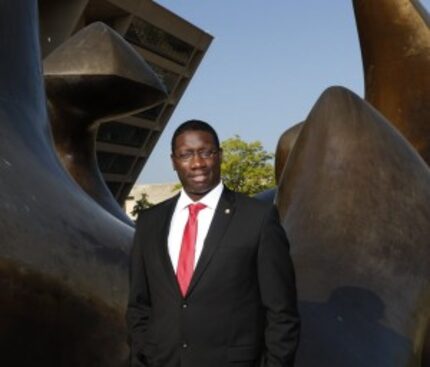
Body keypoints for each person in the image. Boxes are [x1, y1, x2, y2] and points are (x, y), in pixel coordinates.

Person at [127, 120, 300, 367]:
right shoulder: (149, 223)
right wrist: (142, 354)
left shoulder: (258, 219)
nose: (197, 163)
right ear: (174, 161)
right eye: (186, 154)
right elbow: (138, 305)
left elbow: (282, 313)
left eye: (206, 152)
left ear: (219, 156)